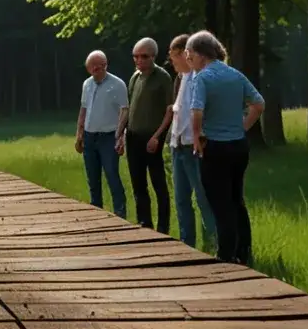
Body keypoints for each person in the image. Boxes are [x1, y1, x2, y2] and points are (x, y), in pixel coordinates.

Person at [187, 30, 265, 266]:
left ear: (200, 55)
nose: (189, 62)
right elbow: (259, 104)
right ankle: (244, 251)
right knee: (236, 199)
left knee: (220, 203)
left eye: (189, 57)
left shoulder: (202, 78)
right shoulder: (235, 75)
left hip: (216, 148)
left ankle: (226, 256)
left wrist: (197, 137)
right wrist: (241, 127)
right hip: (239, 146)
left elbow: (197, 111)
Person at [168, 33, 216, 250]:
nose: (173, 61)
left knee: (204, 198)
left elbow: (201, 113)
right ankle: (188, 244)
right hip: (178, 147)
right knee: (181, 199)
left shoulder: (200, 78)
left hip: (194, 148)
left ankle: (213, 243)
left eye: (173, 56)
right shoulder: (180, 79)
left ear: (183, 54)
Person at [123, 37, 173, 234]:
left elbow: (170, 110)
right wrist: (121, 134)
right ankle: (144, 222)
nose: (139, 60)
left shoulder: (162, 78)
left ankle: (163, 227)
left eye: (144, 56)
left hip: (153, 137)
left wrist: (157, 136)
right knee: (138, 183)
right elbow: (128, 108)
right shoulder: (135, 77)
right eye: (135, 56)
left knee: (158, 182)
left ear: (153, 56)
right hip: (133, 136)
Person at [74, 50, 129, 218]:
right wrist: (79, 134)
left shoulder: (118, 84)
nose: (97, 70)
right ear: (88, 68)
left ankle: (120, 213)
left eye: (101, 66)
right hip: (90, 136)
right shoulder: (87, 84)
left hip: (108, 136)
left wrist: (120, 135)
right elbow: (83, 109)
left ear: (106, 65)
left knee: (112, 174)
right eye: (93, 67)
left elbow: (124, 110)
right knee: (92, 176)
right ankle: (96, 211)